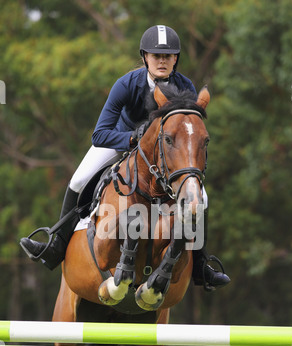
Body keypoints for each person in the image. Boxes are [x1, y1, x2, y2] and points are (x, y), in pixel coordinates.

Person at [20, 25, 230, 290]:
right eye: (156, 55)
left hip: (164, 155)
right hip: (121, 142)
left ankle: (200, 264)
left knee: (202, 198)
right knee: (78, 179)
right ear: (145, 57)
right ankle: (56, 244)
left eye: (168, 56)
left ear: (176, 58)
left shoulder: (184, 86)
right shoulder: (127, 84)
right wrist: (134, 138)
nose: (162, 61)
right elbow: (100, 135)